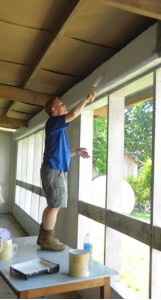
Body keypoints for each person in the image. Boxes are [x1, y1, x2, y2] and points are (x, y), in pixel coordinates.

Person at [39, 90, 96, 251]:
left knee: (53, 205)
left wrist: (75, 152)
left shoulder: (58, 129)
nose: (64, 105)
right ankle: (47, 239)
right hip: (54, 170)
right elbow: (73, 113)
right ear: (54, 110)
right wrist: (86, 99)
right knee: (54, 205)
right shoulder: (53, 122)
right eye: (60, 104)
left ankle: (43, 236)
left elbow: (61, 153)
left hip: (55, 169)